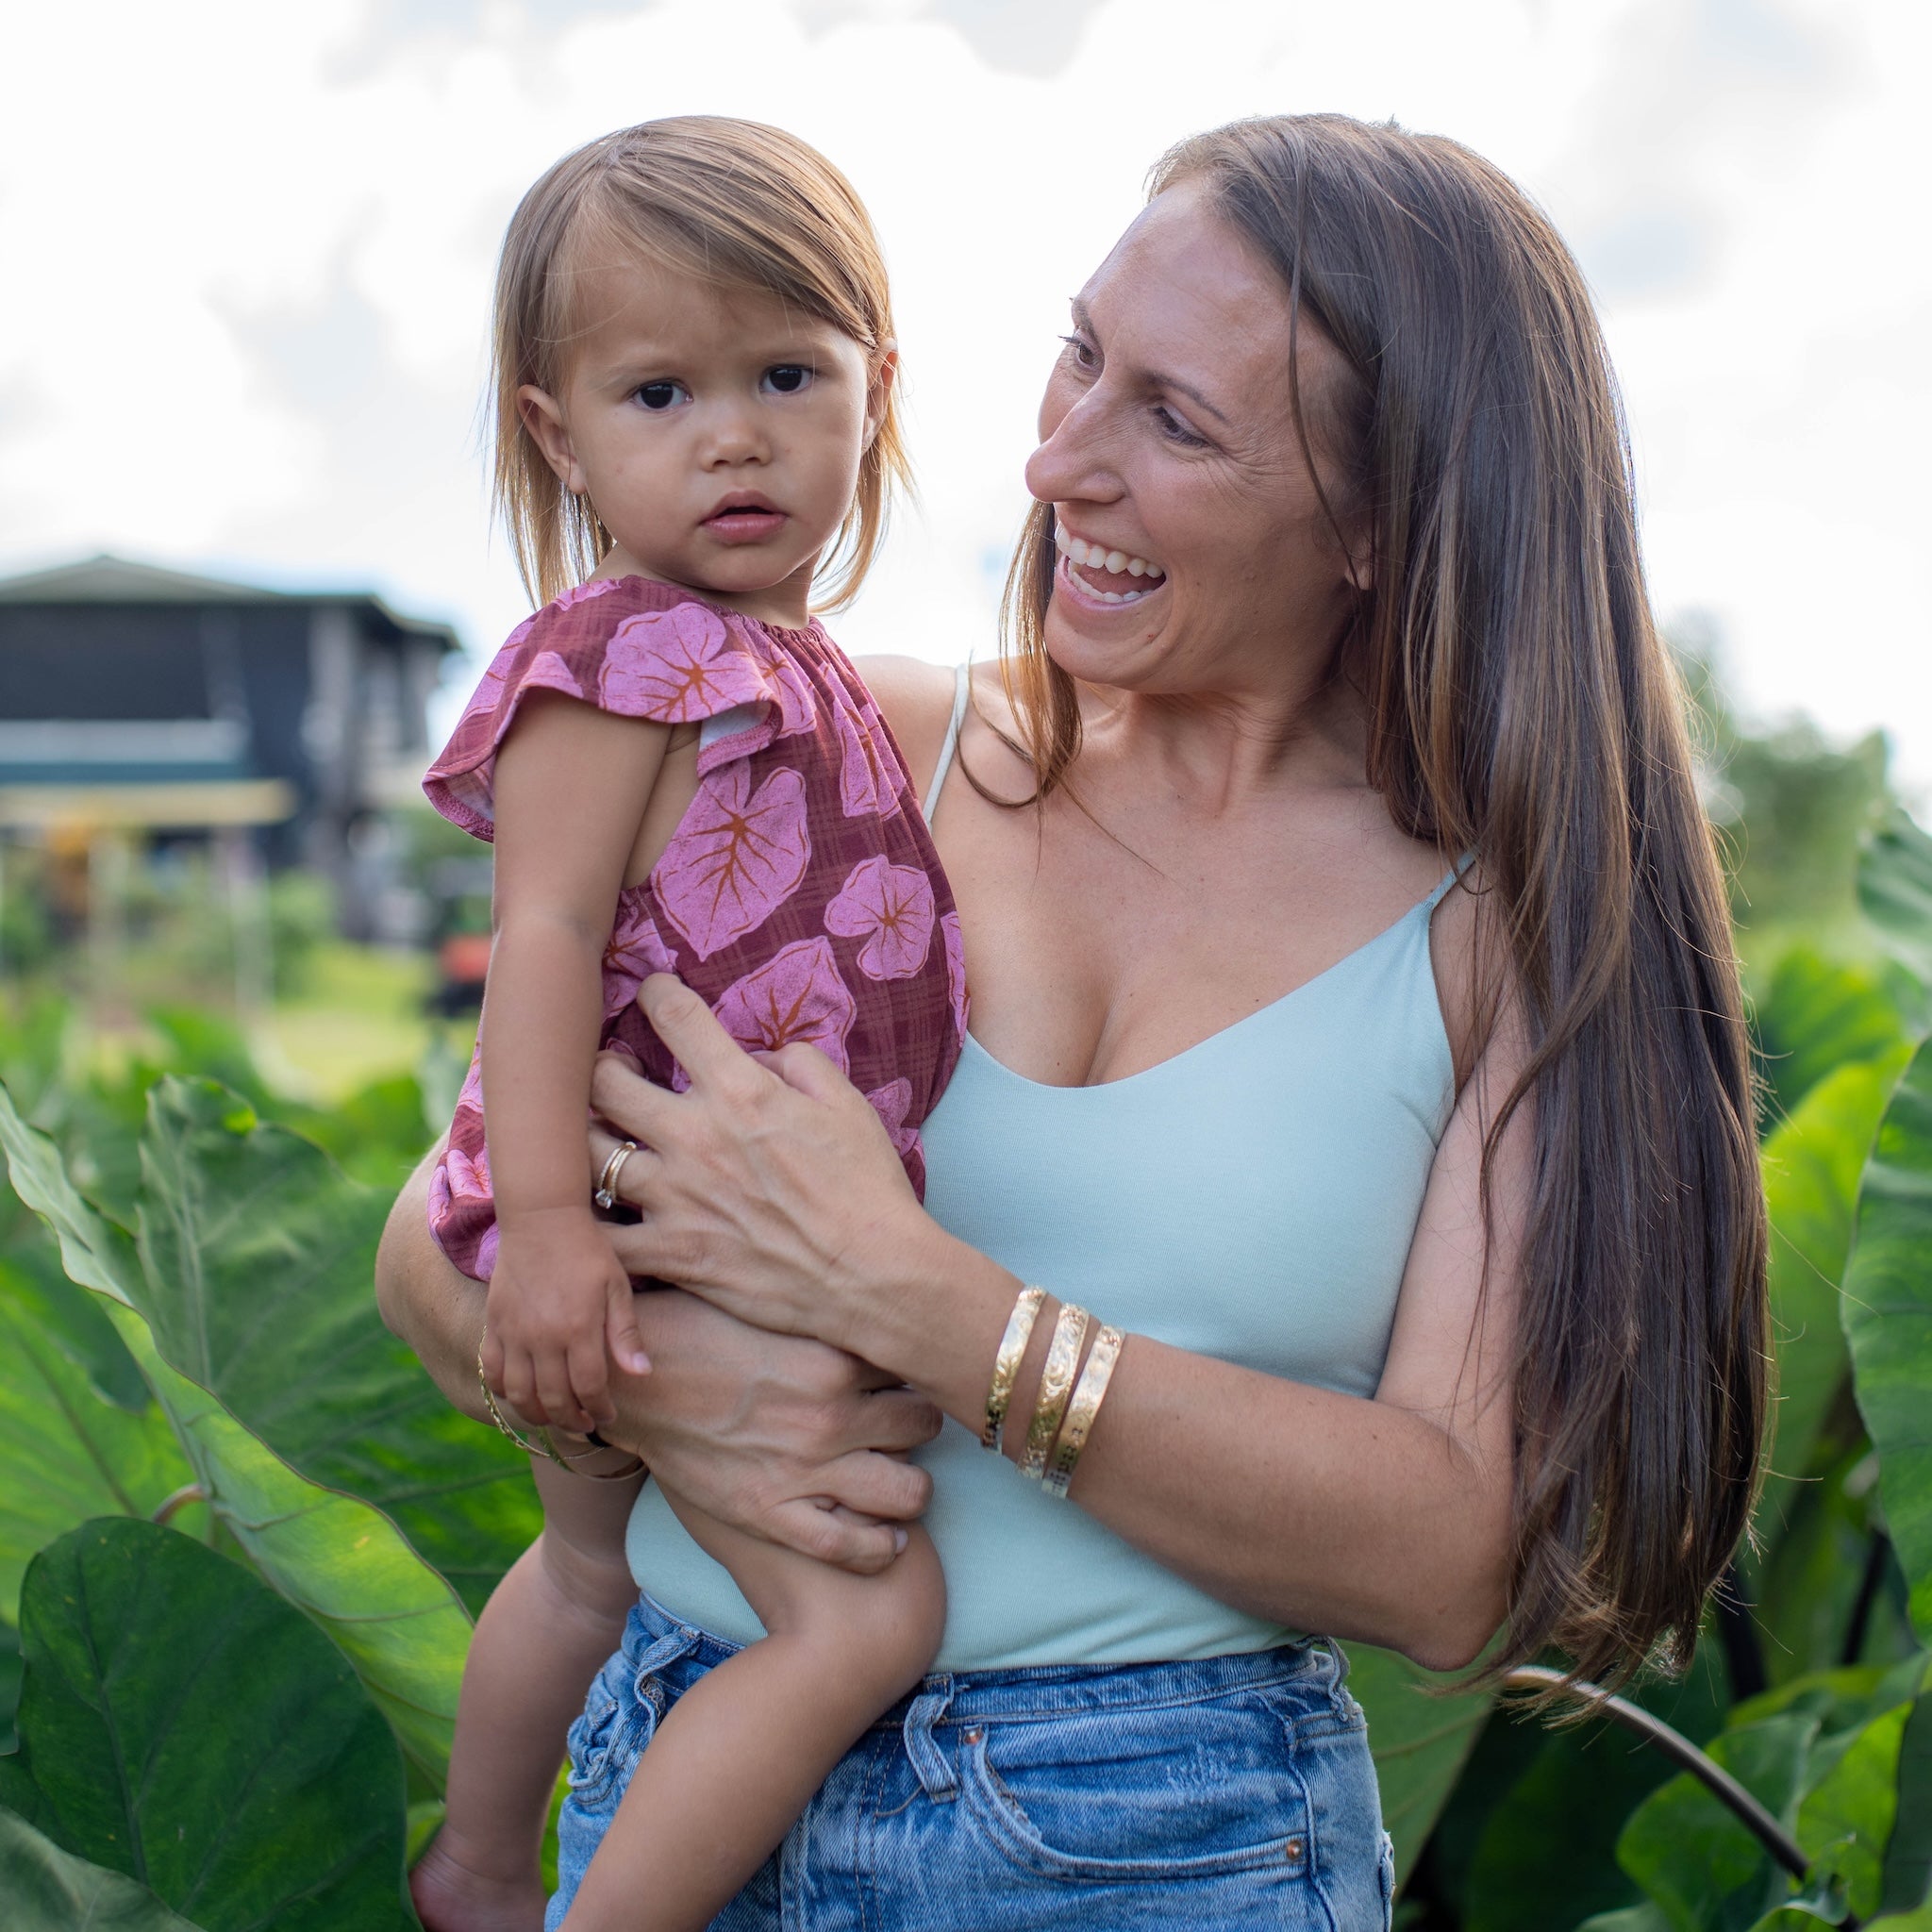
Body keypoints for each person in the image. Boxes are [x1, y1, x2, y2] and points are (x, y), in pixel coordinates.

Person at [380, 112, 1768, 1929]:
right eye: (1080, 357)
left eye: (1172, 421)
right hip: (680, 1781)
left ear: (1383, 513)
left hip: (1157, 1845)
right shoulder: (823, 740)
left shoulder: (1503, 936)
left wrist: (932, 1307)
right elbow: (436, 1236)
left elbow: (1449, 1561)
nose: (1054, 461)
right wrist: (673, 1405)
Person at [406, 117, 965, 1932]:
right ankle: (536, 1891)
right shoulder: (620, 661)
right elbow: (546, 939)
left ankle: (485, 1865)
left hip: (707, 1213)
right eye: (658, 392)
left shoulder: (820, 672)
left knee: (589, 1564)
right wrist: (551, 1235)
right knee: (867, 1614)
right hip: (633, 1222)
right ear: (558, 435)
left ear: (878, 387)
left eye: (786, 372)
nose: (733, 433)